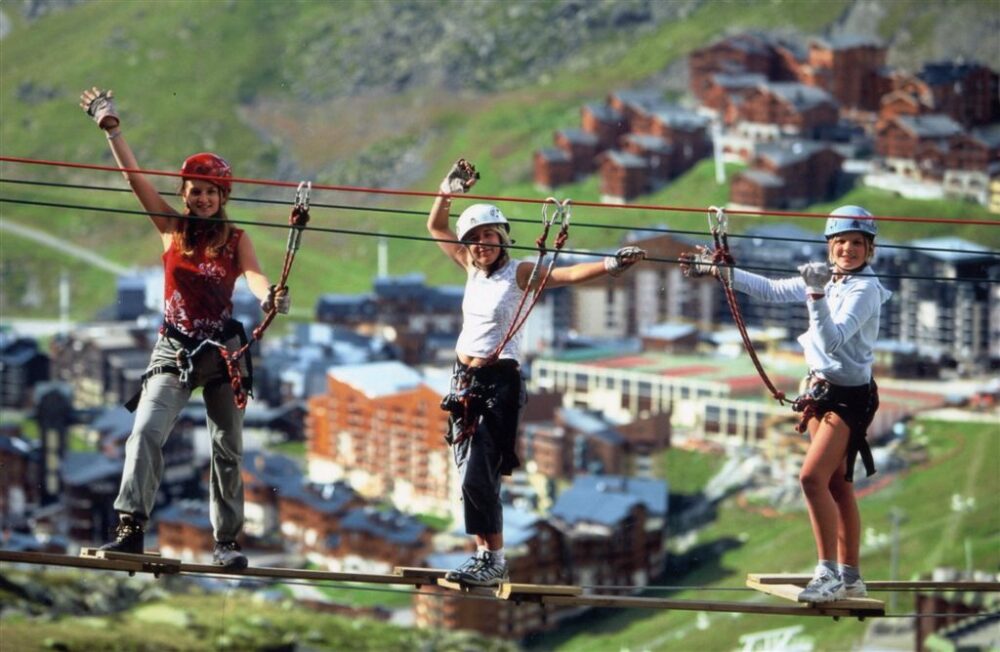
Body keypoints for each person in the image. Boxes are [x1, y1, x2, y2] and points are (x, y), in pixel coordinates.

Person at [79, 87, 289, 569]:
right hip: (174, 350)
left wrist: (267, 295)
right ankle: (130, 528)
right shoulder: (170, 229)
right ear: (186, 195)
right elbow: (134, 179)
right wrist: (112, 127)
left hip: (222, 355)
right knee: (146, 432)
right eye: (195, 190)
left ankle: (227, 543)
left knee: (227, 449)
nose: (202, 198)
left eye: (211, 191)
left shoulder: (237, 239)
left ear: (222, 197)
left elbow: (254, 274)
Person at [428, 159, 646, 586]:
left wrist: (610, 266)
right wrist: (448, 189)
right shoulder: (471, 268)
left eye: (488, 236)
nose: (481, 244)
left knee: (479, 473)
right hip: (463, 382)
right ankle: (484, 555)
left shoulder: (519, 272)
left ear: (502, 238)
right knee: (468, 474)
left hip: (498, 384)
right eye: (474, 239)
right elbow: (436, 225)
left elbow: (563, 275)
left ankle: (494, 558)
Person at [681, 205, 891, 603]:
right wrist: (715, 271)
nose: (848, 249)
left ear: (869, 250)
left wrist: (814, 293)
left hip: (848, 399)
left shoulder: (864, 289)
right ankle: (850, 576)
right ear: (830, 246)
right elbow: (771, 290)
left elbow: (834, 341)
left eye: (857, 244)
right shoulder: (832, 279)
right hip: (824, 392)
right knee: (836, 485)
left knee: (812, 479)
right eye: (841, 242)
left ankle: (827, 573)